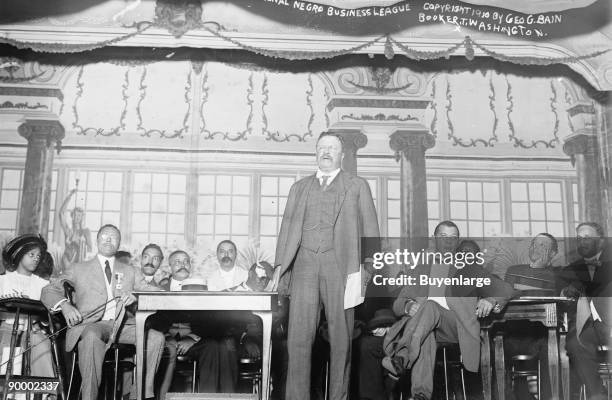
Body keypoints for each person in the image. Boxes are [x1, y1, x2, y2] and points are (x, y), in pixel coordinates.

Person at [273, 131, 380, 400]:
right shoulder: (299, 188)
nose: (326, 152)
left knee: (341, 339)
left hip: (341, 266)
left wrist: (367, 268)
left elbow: (371, 231)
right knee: (298, 339)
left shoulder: (357, 185)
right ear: (315, 152)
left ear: (342, 154)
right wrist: (279, 269)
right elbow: (286, 232)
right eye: (322, 147)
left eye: (332, 148)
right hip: (304, 266)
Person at [382, 221, 514, 400]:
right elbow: (398, 304)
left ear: (457, 241)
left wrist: (491, 300)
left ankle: (402, 357)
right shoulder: (420, 270)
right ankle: (420, 395)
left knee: (429, 307)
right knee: (425, 331)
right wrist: (407, 306)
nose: (448, 241)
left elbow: (506, 289)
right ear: (434, 239)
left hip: (455, 328)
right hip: (424, 328)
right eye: (443, 236)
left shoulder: (469, 269)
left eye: (453, 237)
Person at [40, 224, 164, 400]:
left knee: (156, 338)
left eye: (113, 237)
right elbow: (49, 290)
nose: (108, 239)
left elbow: (152, 290)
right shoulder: (78, 268)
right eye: (104, 236)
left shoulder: (130, 270)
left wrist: (136, 295)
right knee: (91, 336)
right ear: (97, 240)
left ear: (119, 243)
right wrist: (65, 306)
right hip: (92, 325)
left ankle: (139, 395)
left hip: (122, 326)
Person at [558, 222, 612, 400]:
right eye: (579, 238)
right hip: (586, 324)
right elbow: (559, 297)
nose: (582, 242)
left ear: (601, 242)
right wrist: (566, 293)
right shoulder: (568, 270)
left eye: (587, 237)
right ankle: (597, 393)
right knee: (574, 344)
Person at [503, 233, 559, 400]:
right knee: (498, 346)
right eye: (534, 244)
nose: (536, 247)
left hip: (543, 336)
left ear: (553, 254)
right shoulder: (514, 270)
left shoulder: (557, 274)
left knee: (550, 347)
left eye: (543, 245)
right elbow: (507, 295)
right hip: (513, 333)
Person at [0, 234, 54, 378]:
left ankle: (43, 392)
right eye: (32, 254)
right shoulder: (3, 281)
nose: (36, 258)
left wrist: (41, 323)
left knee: (42, 343)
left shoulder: (43, 285)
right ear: (19, 254)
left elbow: (49, 316)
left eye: (39, 255)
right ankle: (7, 389)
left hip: (32, 332)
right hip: (5, 329)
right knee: (9, 339)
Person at [59, 188, 91, 268]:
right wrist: (70, 196)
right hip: (67, 261)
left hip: (80, 263)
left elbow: (90, 249)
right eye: (75, 215)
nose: (77, 217)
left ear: (82, 218)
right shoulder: (69, 231)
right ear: (72, 216)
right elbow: (61, 213)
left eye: (79, 216)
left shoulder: (86, 232)